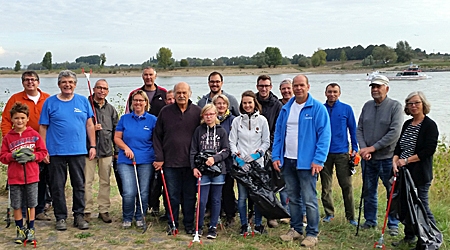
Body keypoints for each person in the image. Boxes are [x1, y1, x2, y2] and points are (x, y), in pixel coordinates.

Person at [272, 74, 331, 248]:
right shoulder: (286, 108)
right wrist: (276, 156)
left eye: (301, 85)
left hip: (308, 163)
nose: (298, 88)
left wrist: (319, 160)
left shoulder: (317, 108)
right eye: (295, 85)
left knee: (309, 199)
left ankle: (312, 233)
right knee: (293, 198)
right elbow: (278, 135)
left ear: (308, 86)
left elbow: (324, 136)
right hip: (288, 160)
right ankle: (296, 229)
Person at [39, 70, 96, 231]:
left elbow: (90, 125)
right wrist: (43, 150)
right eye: (64, 82)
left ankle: (78, 216)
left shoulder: (83, 101)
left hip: (78, 151)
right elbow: (43, 127)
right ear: (59, 84)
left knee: (79, 185)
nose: (67, 85)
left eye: (70, 82)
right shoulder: (50, 103)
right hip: (56, 152)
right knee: (57, 186)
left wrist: (92, 146)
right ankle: (61, 217)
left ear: (75, 85)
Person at [1, 71, 51, 221]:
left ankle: (39, 209)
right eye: (27, 80)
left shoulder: (47, 99)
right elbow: (5, 121)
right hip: (20, 145)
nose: (30, 82)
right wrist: (10, 140)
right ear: (23, 82)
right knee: (20, 180)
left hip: (41, 145)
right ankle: (20, 211)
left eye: (33, 80)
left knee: (40, 179)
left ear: (38, 82)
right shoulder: (15, 99)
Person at [153, 82, 202, 235]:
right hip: (170, 162)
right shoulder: (165, 112)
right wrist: (160, 158)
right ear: (173, 94)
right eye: (178, 92)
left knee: (189, 196)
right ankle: (172, 223)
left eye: (184, 92)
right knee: (171, 196)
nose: (181, 95)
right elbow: (157, 136)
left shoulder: (197, 112)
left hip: (191, 164)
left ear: (190, 93)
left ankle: (188, 224)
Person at [356, 75, 402, 235]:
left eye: (378, 86)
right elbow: (359, 128)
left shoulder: (395, 106)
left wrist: (372, 148)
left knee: (392, 191)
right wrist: (363, 149)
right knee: (369, 191)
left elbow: (394, 133)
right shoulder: (367, 106)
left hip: (388, 158)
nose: (375, 90)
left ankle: (393, 224)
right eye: (373, 87)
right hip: (368, 159)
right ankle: (370, 221)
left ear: (386, 88)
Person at [392, 91, 438, 247]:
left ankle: (431, 237)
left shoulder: (429, 125)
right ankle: (409, 235)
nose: (413, 106)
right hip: (404, 172)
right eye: (410, 103)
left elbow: (428, 150)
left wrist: (406, 160)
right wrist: (395, 159)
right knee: (405, 205)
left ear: (423, 104)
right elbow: (399, 146)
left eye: (416, 103)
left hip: (420, 173)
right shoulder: (407, 124)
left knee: (422, 205)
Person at [0, 103, 48, 244]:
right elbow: (2, 156)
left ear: (27, 119)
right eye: (16, 118)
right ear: (12, 120)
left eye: (22, 118)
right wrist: (12, 156)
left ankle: (31, 229)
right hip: (15, 177)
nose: (19, 121)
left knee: (31, 204)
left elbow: (43, 152)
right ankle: (20, 229)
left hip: (31, 176)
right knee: (17, 204)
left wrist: (34, 157)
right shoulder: (8, 137)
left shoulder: (34, 135)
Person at [229, 90, 270, 235]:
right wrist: (238, 159)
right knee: (242, 197)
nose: (247, 105)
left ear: (254, 103)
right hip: (241, 166)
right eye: (244, 103)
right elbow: (232, 142)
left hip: (257, 165)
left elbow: (266, 142)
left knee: (258, 196)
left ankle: (258, 224)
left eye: (250, 103)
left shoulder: (262, 120)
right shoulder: (236, 121)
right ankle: (244, 225)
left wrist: (257, 154)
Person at [114, 90, 157, 229]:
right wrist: (126, 148)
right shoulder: (124, 119)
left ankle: (140, 216)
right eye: (135, 100)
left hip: (145, 160)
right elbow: (117, 138)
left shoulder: (152, 120)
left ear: (146, 103)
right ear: (131, 103)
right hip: (126, 161)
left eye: (141, 100)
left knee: (143, 191)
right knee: (129, 191)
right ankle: (127, 217)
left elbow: (156, 140)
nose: (138, 103)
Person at [320, 83, 358, 226]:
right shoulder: (321, 109)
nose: (332, 94)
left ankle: (351, 217)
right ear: (325, 93)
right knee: (326, 186)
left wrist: (355, 148)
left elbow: (353, 129)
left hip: (342, 152)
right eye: (329, 92)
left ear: (339, 93)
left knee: (346, 185)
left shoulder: (346, 109)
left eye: (335, 92)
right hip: (324, 153)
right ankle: (329, 214)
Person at [190, 104, 230, 239]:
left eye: (211, 114)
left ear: (216, 115)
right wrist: (194, 167)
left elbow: (226, 150)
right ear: (203, 116)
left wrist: (215, 158)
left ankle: (213, 227)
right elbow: (193, 151)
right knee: (202, 200)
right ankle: (199, 226)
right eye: (206, 114)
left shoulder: (222, 131)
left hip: (218, 170)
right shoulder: (198, 131)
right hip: (202, 171)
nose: (209, 117)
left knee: (216, 199)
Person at [84, 79, 119, 224]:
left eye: (104, 88)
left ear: (107, 91)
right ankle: (86, 210)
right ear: (94, 89)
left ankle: (103, 209)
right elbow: (78, 127)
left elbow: (117, 131)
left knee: (105, 182)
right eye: (99, 88)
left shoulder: (111, 109)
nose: (101, 91)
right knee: (87, 181)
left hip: (106, 150)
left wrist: (116, 151)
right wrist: (92, 129)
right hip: (88, 150)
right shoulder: (85, 105)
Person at [255, 74, 283, 228]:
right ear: (257, 86)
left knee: (271, 184)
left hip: (270, 149)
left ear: (271, 87)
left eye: (266, 85)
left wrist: (268, 147)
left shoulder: (277, 105)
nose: (263, 88)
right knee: (254, 183)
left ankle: (271, 216)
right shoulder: (252, 101)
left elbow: (278, 130)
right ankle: (255, 214)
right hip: (252, 150)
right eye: (261, 86)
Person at [212, 94, 236, 227]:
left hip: (228, 161)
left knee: (227, 190)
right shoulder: (210, 119)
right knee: (215, 190)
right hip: (213, 161)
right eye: (218, 103)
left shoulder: (233, 120)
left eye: (223, 104)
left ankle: (230, 215)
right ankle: (216, 214)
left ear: (227, 106)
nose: (221, 106)